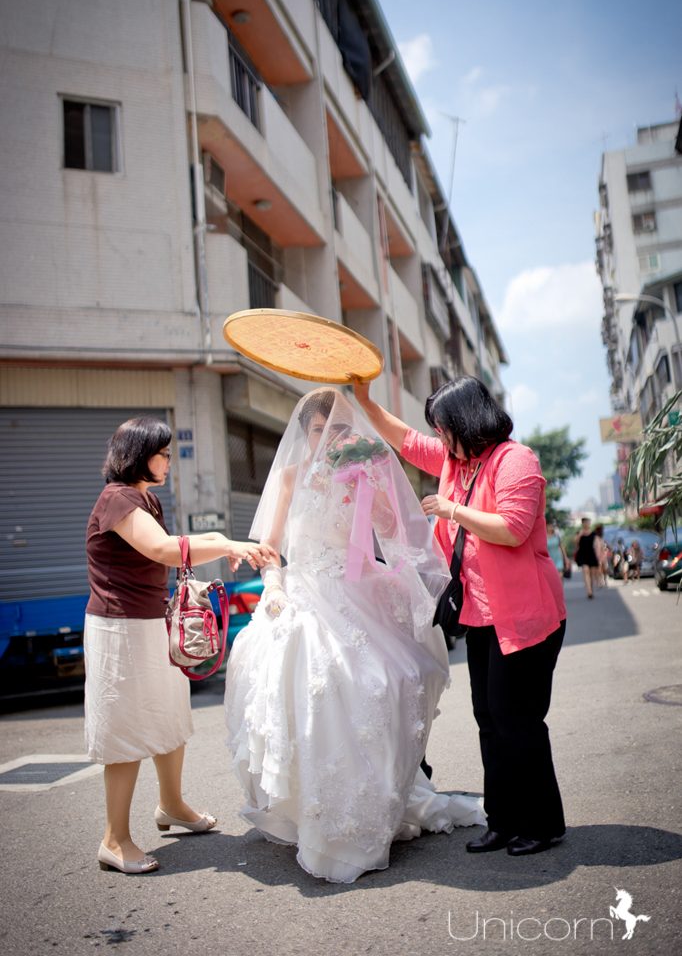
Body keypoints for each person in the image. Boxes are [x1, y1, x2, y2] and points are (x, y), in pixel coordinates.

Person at [224, 388, 485, 883]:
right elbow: (270, 548)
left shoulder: (364, 470)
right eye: (320, 431)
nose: (329, 439)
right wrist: (274, 588)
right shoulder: (288, 476)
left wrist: (370, 484)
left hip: (356, 592)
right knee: (317, 684)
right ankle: (315, 812)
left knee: (388, 679)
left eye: (339, 430)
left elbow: (395, 531)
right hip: (305, 591)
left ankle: (370, 803)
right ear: (306, 435)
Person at [354, 374, 567, 857]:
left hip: (526, 617)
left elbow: (512, 529)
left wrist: (450, 510)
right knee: (489, 718)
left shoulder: (516, 461)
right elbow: (405, 440)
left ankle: (543, 823)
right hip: (481, 617)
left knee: (520, 722)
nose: (439, 437)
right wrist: (365, 400)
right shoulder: (458, 462)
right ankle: (503, 820)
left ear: (465, 422)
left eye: (443, 427)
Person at [85, 415, 276, 874]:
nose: (169, 460)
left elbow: (180, 541)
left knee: (170, 717)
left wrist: (232, 545)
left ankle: (171, 805)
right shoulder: (118, 499)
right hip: (120, 628)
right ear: (138, 453)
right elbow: (164, 551)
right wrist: (228, 544)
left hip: (151, 623)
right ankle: (114, 839)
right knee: (126, 731)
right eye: (163, 452)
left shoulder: (145, 498)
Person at [574, 517, 600, 599]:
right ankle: (589, 591)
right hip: (582, 554)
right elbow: (575, 542)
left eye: (588, 522)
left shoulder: (593, 534)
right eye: (585, 523)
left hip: (591, 554)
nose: (587, 524)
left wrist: (598, 556)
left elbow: (597, 545)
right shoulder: (579, 533)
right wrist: (580, 535)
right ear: (582, 524)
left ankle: (590, 588)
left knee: (591, 573)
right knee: (585, 571)